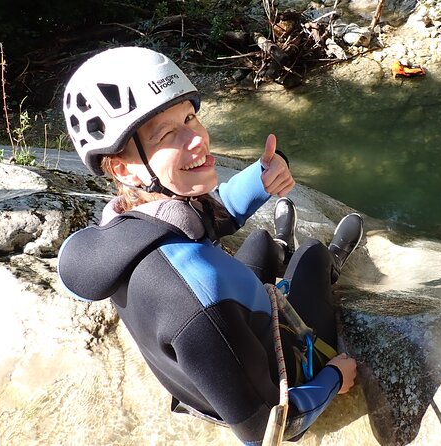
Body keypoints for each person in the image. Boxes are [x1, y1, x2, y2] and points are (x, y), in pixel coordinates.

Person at [57, 46, 364, 444]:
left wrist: (261, 178)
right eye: (167, 134)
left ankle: (278, 244)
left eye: (189, 117)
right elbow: (266, 428)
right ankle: (329, 262)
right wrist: (334, 377)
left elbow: (198, 220)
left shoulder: (125, 227)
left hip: (217, 361)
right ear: (123, 167)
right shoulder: (195, 294)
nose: (197, 139)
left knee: (260, 242)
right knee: (312, 254)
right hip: (273, 368)